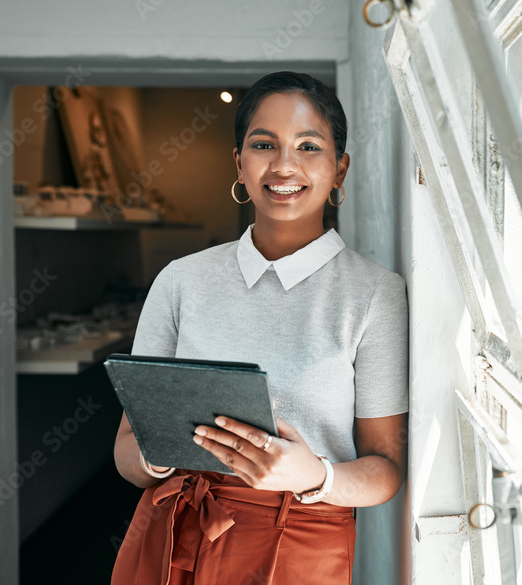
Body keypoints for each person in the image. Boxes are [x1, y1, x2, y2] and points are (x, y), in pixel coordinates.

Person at [111, 71, 409, 585]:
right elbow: (127, 453)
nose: (284, 165)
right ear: (240, 165)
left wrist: (316, 474)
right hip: (172, 532)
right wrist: (157, 453)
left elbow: (386, 469)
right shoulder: (181, 280)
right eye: (263, 144)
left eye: (309, 146)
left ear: (340, 169)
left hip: (299, 538)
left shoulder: (373, 294)